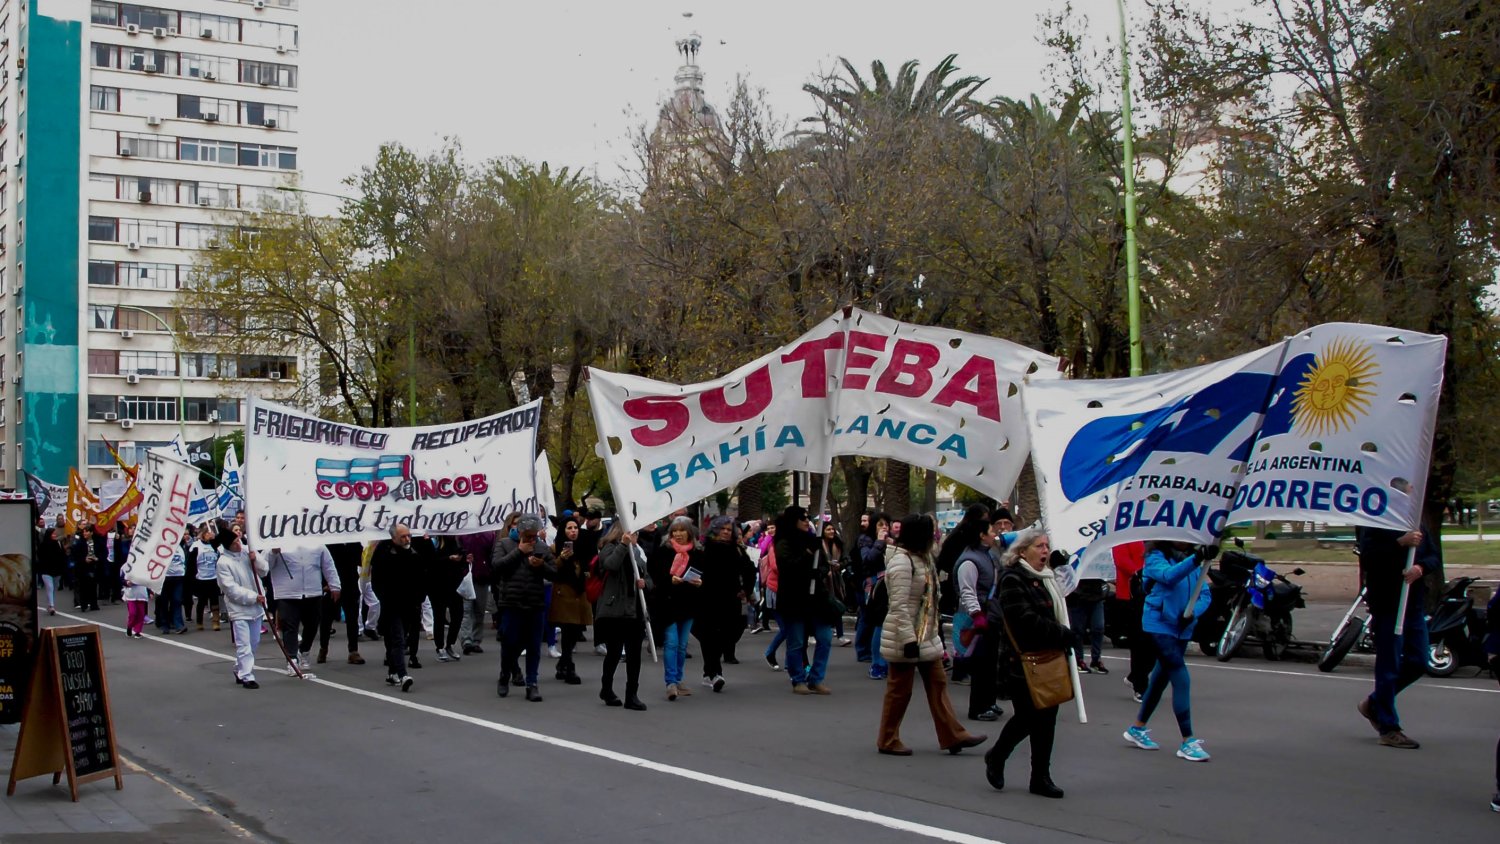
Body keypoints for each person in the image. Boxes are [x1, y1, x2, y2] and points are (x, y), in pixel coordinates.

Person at [877, 513, 989, 756]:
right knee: (899, 691)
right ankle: (887, 739)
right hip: (906, 636)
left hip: (925, 634)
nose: (936, 536)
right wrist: (908, 640)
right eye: (932, 532)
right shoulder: (902, 563)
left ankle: (953, 735)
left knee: (938, 684)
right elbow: (899, 606)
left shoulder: (922, 558)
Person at [983, 527, 1071, 798]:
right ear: (1022, 552)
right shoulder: (1013, 578)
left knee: (1047, 718)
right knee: (1028, 718)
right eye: (1039, 546)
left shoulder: (1046, 578)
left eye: (1047, 546)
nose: (1045, 551)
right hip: (1021, 660)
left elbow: (1061, 607)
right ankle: (997, 755)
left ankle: (1040, 777)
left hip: (1049, 658)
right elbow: (1024, 620)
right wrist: (1061, 634)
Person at [1123, 542, 1214, 762]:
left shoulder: (1194, 558)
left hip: (1182, 628)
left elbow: (1205, 594)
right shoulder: (1154, 556)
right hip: (1159, 625)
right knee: (1180, 676)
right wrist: (1195, 559)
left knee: (1160, 679)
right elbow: (1168, 576)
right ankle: (1187, 740)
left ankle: (1137, 728)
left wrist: (1193, 612)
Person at [1354, 524, 1441, 749]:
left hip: (1413, 604)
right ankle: (1388, 727)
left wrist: (1421, 568)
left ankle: (1374, 703)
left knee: (1419, 660)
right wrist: (1399, 543)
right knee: (1389, 665)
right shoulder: (1378, 523)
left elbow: (1433, 556)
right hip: (1387, 604)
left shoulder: (1417, 523)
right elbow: (1369, 558)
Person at [772, 506, 836, 695]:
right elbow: (787, 567)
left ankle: (816, 678)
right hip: (794, 597)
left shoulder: (813, 540)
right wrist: (808, 554)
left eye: (808, 518)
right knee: (797, 641)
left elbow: (824, 565)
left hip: (817, 598)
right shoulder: (784, 542)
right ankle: (798, 679)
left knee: (825, 638)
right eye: (802, 518)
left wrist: (820, 571)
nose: (807, 521)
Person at [493, 513, 557, 702]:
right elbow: (497, 567)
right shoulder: (504, 544)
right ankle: (505, 675)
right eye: (528, 536)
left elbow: (554, 574)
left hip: (534, 603)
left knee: (533, 645)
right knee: (510, 643)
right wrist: (519, 551)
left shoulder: (542, 548)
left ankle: (532, 684)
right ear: (519, 532)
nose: (531, 540)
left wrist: (541, 565)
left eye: (534, 536)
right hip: (511, 602)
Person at [648, 516, 704, 701]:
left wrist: (699, 583)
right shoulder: (663, 551)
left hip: (688, 603)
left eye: (682, 530)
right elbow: (654, 574)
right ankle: (670, 682)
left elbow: (704, 574)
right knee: (671, 643)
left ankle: (679, 679)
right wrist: (669, 580)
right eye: (675, 531)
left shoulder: (697, 552)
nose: (678, 534)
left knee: (682, 645)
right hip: (667, 603)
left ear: (690, 532)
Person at [596, 523, 650, 710]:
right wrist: (622, 545)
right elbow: (610, 565)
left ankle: (632, 694)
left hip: (634, 609)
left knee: (635, 654)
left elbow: (647, 575)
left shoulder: (637, 551)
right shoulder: (609, 547)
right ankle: (606, 688)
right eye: (633, 532)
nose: (636, 536)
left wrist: (646, 583)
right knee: (614, 652)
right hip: (615, 610)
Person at [955, 518, 1004, 722]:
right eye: (991, 530)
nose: (995, 533)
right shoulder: (969, 560)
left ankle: (989, 701)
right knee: (981, 665)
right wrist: (977, 615)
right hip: (978, 618)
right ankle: (977, 707)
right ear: (981, 535)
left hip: (989, 614)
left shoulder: (987, 555)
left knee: (991, 662)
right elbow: (968, 591)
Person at [695, 516, 750, 692]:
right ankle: (714, 673)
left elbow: (749, 569)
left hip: (731, 598)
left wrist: (746, 589)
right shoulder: (705, 549)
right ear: (715, 530)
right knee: (710, 636)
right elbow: (697, 571)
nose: (726, 532)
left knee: (728, 634)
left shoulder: (737, 549)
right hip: (708, 598)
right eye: (723, 529)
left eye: (729, 529)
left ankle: (709, 671)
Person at [267, 545, 341, 675]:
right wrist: (272, 553)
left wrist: (335, 585)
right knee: (289, 626)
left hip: (312, 592)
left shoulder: (317, 545)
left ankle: (304, 651)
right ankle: (292, 660)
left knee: (312, 624)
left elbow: (328, 565)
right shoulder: (279, 543)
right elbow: (263, 567)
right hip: (287, 593)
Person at [216, 519, 269, 689]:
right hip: (239, 609)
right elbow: (230, 589)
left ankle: (240, 669)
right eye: (234, 543)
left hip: (256, 606)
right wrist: (253, 596)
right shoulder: (223, 563)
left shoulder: (248, 551)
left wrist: (256, 560)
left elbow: (264, 570)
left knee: (254, 642)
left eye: (238, 540)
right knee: (243, 644)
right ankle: (247, 676)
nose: (238, 544)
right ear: (227, 546)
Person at [370, 524, 422, 692]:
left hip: (409, 605)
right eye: (403, 537)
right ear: (393, 538)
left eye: (408, 535)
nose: (407, 539)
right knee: (398, 639)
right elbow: (376, 580)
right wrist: (385, 598)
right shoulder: (384, 553)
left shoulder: (413, 553)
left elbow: (421, 575)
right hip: (392, 605)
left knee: (399, 638)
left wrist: (419, 597)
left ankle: (392, 671)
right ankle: (403, 674)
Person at [549, 517, 593, 683]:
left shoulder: (583, 545)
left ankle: (563, 663)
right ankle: (569, 666)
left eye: (575, 527)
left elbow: (590, 565)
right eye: (569, 528)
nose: (573, 531)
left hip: (580, 593)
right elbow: (551, 569)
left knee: (576, 630)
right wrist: (562, 557)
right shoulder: (555, 548)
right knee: (567, 629)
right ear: (563, 531)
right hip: (564, 593)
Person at [1113, 542, 1153, 702]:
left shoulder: (1152, 536)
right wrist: (1139, 573)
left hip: (1152, 592)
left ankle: (1134, 676)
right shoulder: (1125, 535)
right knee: (1139, 643)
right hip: (1131, 594)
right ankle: (1140, 686)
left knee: (1154, 643)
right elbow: (1121, 560)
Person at [319, 542, 367, 665]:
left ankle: (353, 650)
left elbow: (360, 560)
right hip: (331, 585)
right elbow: (322, 563)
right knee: (326, 619)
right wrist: (324, 583)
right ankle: (323, 647)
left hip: (350, 583)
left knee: (352, 619)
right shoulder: (330, 542)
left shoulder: (353, 543)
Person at [424, 534, 468, 663]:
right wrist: (448, 559)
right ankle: (440, 647)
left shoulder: (455, 540)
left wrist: (464, 558)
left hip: (454, 583)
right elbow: (430, 561)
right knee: (439, 615)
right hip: (436, 584)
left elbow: (462, 556)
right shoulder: (432, 540)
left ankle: (450, 644)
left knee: (458, 614)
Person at [458, 530, 496, 655]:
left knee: (479, 610)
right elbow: (456, 551)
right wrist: (463, 558)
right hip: (465, 575)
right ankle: (466, 640)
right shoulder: (461, 534)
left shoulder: (489, 535)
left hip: (482, 576)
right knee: (466, 610)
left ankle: (476, 640)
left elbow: (492, 555)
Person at [1066, 573, 1109, 675]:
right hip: (1077, 594)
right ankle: (1078, 660)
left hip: (1096, 593)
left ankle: (1096, 660)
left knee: (1098, 627)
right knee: (1077, 630)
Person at [190, 524, 222, 631]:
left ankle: (216, 621)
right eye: (207, 532)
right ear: (203, 534)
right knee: (202, 601)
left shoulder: (216, 546)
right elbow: (191, 562)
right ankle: (199, 621)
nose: (209, 534)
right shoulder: (196, 545)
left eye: (211, 532)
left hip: (213, 577)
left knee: (214, 600)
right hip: (201, 578)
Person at [71, 523, 104, 613]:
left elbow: (103, 552)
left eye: (87, 532)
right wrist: (84, 559)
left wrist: (97, 558)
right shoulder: (80, 543)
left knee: (93, 585)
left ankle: (94, 604)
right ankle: (84, 604)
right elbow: (75, 555)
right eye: (84, 532)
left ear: (91, 533)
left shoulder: (97, 542)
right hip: (83, 566)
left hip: (94, 565)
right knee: (83, 586)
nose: (85, 533)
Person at [36, 527, 66, 616]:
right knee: (50, 587)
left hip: (57, 570)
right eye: (53, 534)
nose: (55, 535)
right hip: (46, 570)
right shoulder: (43, 545)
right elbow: (40, 557)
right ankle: (52, 606)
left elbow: (62, 555)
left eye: (55, 534)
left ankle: (50, 604)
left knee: (53, 588)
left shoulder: (58, 543)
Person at [121, 555, 150, 638]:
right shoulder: (125, 567)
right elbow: (121, 579)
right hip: (131, 595)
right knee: (133, 613)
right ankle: (129, 627)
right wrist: (126, 583)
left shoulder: (144, 566)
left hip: (141, 593)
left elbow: (148, 580)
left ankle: (137, 631)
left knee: (141, 614)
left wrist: (150, 591)